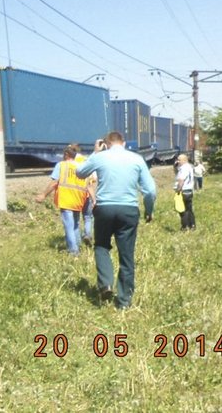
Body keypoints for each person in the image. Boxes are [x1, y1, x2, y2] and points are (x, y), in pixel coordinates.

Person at [76, 132, 157, 310]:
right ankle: (124, 301)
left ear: (105, 143)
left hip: (104, 209)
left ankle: (106, 284)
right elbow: (150, 190)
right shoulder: (136, 159)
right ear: (124, 143)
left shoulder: (100, 157)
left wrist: (95, 153)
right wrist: (149, 210)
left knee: (101, 246)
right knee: (126, 255)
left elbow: (80, 172)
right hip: (129, 210)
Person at [35, 145, 89, 256]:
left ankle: (73, 251)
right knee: (76, 224)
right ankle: (77, 245)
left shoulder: (61, 165)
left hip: (66, 198)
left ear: (66, 155)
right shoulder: (80, 166)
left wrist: (43, 195)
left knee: (68, 225)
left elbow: (55, 182)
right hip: (79, 199)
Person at [72, 144, 97, 247]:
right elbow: (93, 178)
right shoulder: (86, 161)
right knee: (88, 217)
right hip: (86, 194)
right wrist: (93, 197)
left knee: (76, 220)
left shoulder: (70, 163)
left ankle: (77, 244)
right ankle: (87, 234)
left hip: (74, 195)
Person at [175, 154, 196, 231]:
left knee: (182, 209)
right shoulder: (189, 167)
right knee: (189, 209)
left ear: (184, 160)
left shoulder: (184, 168)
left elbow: (181, 180)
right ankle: (192, 225)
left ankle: (184, 226)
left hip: (183, 190)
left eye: (179, 160)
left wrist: (178, 190)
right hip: (189, 190)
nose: (178, 161)